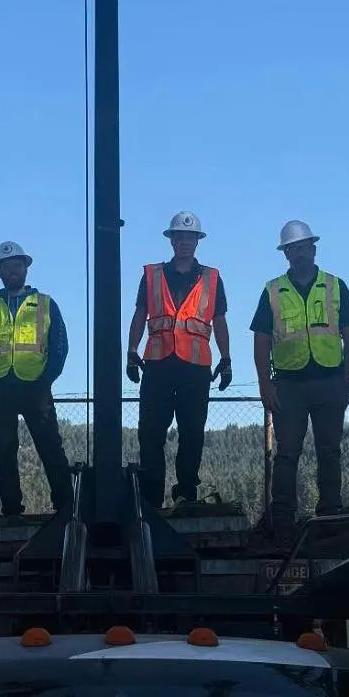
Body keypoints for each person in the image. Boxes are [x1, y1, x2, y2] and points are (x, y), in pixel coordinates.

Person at [251, 220, 349, 537]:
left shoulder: (335, 286)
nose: (299, 253)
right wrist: (264, 384)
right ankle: (283, 519)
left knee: (330, 450)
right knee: (287, 453)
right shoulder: (272, 291)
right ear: (285, 254)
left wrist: (346, 380)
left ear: (313, 249)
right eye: (292, 249)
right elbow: (260, 341)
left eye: (303, 247)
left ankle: (330, 514)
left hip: (330, 381)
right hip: (288, 385)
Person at [126, 211, 232, 510]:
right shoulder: (152, 275)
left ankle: (186, 494)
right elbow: (139, 314)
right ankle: (150, 499)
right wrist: (132, 352)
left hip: (195, 367)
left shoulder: (212, 278)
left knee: (192, 433)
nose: (185, 242)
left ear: (198, 241)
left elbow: (220, 320)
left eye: (190, 237)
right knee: (150, 434)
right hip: (158, 363)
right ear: (171, 240)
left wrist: (226, 359)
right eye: (179, 236)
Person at [0, 241, 73, 519]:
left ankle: (66, 506)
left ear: (26, 268)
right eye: (6, 266)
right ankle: (11, 510)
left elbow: (59, 346)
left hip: (35, 386)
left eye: (17, 265)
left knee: (50, 446)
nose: (12, 270)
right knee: (3, 451)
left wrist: (46, 380)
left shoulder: (46, 304)